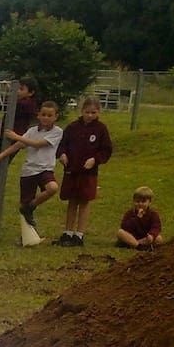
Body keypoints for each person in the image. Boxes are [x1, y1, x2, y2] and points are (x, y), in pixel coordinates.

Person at [0, 100, 62, 229]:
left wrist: (16, 136)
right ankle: (26, 236)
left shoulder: (57, 132)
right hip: (29, 170)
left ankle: (31, 206)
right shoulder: (32, 131)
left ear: (55, 117)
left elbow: (37, 144)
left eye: (49, 115)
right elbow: (18, 145)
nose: (46, 118)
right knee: (24, 204)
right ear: (38, 115)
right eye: (43, 114)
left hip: (45, 169)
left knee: (52, 188)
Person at [55, 97, 112, 247]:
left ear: (98, 112)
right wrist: (62, 154)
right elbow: (62, 145)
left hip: (88, 172)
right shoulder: (73, 127)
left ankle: (79, 235)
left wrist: (95, 159)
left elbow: (106, 150)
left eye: (93, 112)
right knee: (72, 200)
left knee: (84, 201)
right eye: (87, 112)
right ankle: (68, 232)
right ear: (82, 111)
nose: (90, 115)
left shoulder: (101, 129)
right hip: (72, 170)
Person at [0, 78, 39, 210]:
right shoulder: (19, 102)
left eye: (21, 89)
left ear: (30, 93)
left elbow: (10, 105)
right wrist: (0, 91)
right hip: (2, 137)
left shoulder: (28, 104)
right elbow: (0, 105)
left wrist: (7, 92)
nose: (17, 91)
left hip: (12, 140)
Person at [115, 186, 163, 251]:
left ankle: (135, 245)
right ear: (134, 201)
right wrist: (137, 218)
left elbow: (156, 227)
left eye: (143, 202)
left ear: (149, 202)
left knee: (159, 238)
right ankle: (138, 246)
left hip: (145, 238)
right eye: (137, 201)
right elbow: (125, 227)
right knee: (120, 232)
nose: (140, 204)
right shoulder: (130, 213)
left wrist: (151, 235)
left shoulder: (153, 214)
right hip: (131, 237)